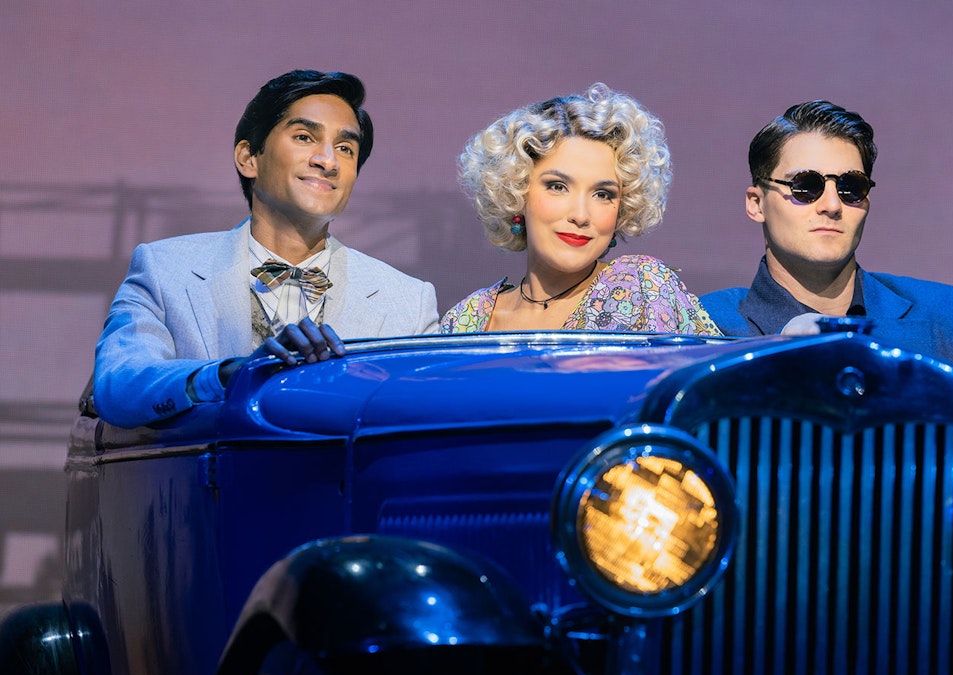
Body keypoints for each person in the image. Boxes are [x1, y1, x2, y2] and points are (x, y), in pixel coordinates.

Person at [699, 100, 953, 435]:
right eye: (805, 187)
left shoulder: (948, 318)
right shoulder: (703, 326)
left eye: (850, 188)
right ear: (756, 202)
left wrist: (940, 395)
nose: (831, 204)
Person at [92, 70, 438, 429]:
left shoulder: (409, 302)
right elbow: (118, 385)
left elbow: (424, 421)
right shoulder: (164, 269)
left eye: (345, 148)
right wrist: (227, 375)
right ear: (248, 157)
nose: (328, 160)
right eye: (305, 137)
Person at [441, 83, 719, 335]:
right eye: (558, 187)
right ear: (516, 191)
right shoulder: (469, 318)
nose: (581, 215)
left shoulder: (644, 289)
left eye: (602, 194)